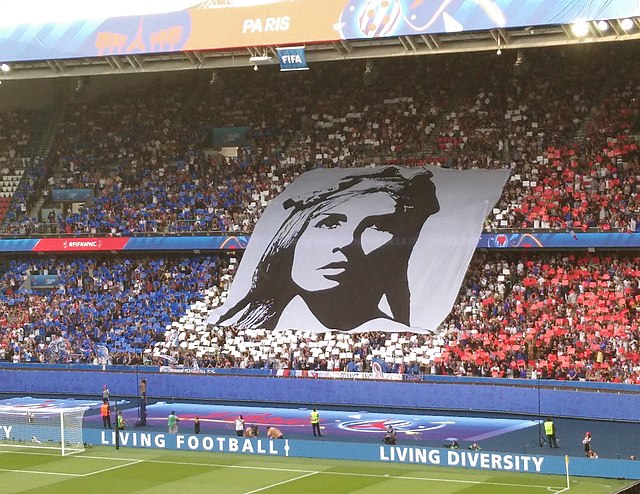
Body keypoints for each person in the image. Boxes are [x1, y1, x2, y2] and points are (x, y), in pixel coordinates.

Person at [212, 167, 440, 332]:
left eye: (376, 227)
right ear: (294, 233)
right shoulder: (245, 317)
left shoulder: (383, 327)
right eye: (330, 223)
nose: (348, 243)